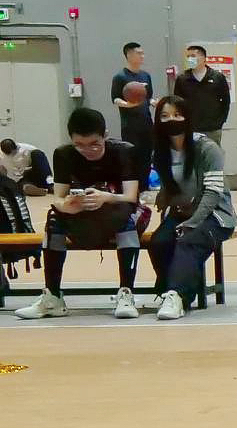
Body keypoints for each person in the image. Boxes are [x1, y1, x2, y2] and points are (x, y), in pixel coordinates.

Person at [13, 107, 144, 320]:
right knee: (54, 217)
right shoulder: (63, 154)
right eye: (79, 145)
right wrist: (67, 206)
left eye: (94, 144)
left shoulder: (124, 151)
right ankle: (53, 296)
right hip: (82, 212)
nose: (87, 150)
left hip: (118, 208)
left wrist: (105, 197)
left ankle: (126, 292)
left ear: (105, 135)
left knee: (126, 218)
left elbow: (130, 197)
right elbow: (58, 198)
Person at [146, 94, 237, 320]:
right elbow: (168, 185)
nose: (171, 120)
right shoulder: (160, 151)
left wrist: (193, 221)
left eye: (177, 115)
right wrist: (163, 198)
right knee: (158, 243)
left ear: (187, 118)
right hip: (180, 213)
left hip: (214, 215)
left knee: (188, 240)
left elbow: (213, 192)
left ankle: (177, 295)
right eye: (165, 116)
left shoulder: (207, 148)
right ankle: (172, 290)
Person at [112, 41, 155, 178]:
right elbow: (115, 99)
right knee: (133, 158)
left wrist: (154, 102)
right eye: (139, 53)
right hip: (130, 126)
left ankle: (144, 187)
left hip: (146, 124)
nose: (142, 56)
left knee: (147, 158)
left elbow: (149, 97)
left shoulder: (146, 75)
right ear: (129, 55)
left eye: (143, 53)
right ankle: (133, 187)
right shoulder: (120, 77)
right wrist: (128, 104)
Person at [174, 44, 232, 136]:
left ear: (203, 58)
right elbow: (177, 103)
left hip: (213, 128)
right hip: (190, 128)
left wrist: (220, 121)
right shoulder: (182, 79)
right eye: (188, 57)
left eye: (193, 56)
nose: (190, 59)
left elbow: (226, 101)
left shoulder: (217, 77)